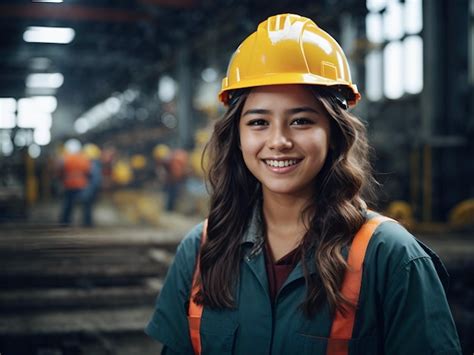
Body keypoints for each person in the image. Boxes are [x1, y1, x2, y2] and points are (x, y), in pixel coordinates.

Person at [145, 14, 461, 354]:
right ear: (237, 137)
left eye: (301, 120)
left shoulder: (392, 258)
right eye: (259, 122)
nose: (279, 140)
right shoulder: (200, 252)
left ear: (334, 134)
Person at [58, 138, 91, 226]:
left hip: (68, 184)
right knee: (85, 205)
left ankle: (65, 222)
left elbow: (60, 171)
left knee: (68, 205)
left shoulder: (65, 158)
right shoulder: (84, 158)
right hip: (81, 184)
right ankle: (87, 223)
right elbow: (88, 171)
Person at [80, 143, 102, 227]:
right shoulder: (94, 164)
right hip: (90, 188)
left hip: (89, 188)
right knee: (87, 206)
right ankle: (87, 223)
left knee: (87, 206)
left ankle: (87, 223)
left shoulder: (91, 164)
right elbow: (96, 178)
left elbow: (94, 178)